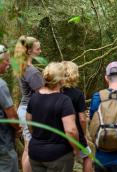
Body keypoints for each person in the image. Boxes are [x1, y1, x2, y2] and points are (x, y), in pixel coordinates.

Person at [26, 62, 79, 172]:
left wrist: (38, 137)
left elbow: (29, 122)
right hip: (58, 156)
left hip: (35, 153)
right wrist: (76, 148)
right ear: (61, 80)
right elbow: (71, 131)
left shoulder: (34, 98)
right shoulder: (64, 100)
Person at [14, 35, 44, 172]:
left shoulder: (23, 67)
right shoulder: (31, 71)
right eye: (38, 49)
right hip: (30, 111)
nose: (40, 51)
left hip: (24, 108)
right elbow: (41, 93)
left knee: (28, 146)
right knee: (30, 147)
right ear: (29, 51)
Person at [61, 61, 92, 172]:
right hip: (75, 132)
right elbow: (82, 119)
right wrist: (84, 134)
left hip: (58, 133)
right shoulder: (77, 94)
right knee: (88, 156)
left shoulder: (55, 92)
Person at [0, 44, 21, 172]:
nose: (9, 64)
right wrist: (18, 128)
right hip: (3, 144)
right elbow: (11, 114)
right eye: (6, 60)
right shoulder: (1, 86)